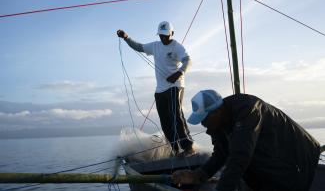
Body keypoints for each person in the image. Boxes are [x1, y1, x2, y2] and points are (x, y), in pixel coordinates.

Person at [172, 90, 321, 191]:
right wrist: (198, 175)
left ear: (217, 111)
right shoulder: (218, 123)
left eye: (204, 118)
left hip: (299, 162)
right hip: (269, 167)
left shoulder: (248, 109)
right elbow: (220, 154)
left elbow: (240, 156)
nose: (203, 124)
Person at [116, 21, 195, 156]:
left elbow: (188, 61)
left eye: (166, 35)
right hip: (160, 90)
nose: (163, 38)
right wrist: (126, 37)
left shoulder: (178, 47)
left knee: (176, 115)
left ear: (172, 33)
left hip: (175, 86)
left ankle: (188, 148)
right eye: (161, 35)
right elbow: (139, 47)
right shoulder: (155, 46)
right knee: (165, 120)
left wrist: (179, 73)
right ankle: (174, 149)